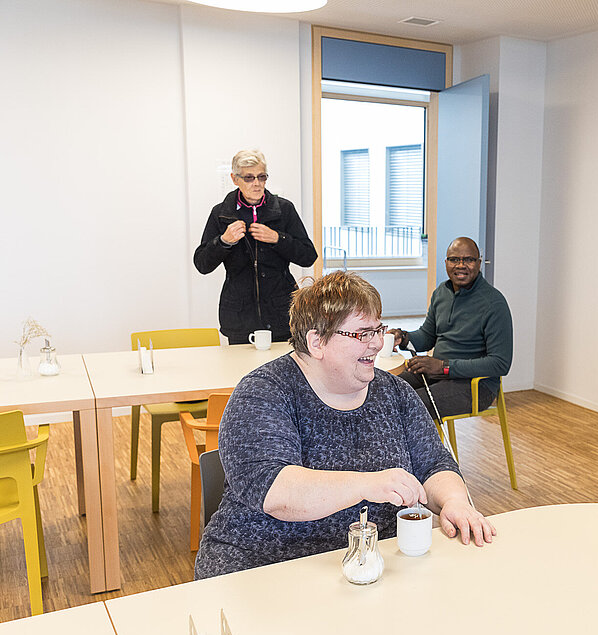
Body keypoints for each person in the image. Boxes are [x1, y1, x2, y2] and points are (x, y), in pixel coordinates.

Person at [194, 271, 494, 579]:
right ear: (317, 342)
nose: (378, 343)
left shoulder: (395, 392)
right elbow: (276, 492)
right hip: (263, 569)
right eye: (362, 333)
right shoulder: (263, 393)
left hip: (371, 567)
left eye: (379, 329)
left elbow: (433, 464)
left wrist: (454, 502)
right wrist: (369, 483)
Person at [194, 149, 317, 345]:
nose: (257, 184)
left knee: (283, 373)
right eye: (249, 178)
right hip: (239, 315)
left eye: (262, 177)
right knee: (240, 371)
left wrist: (278, 238)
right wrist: (224, 241)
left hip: (282, 313)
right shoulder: (220, 213)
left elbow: (308, 256)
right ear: (235, 179)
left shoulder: (284, 209)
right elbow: (202, 264)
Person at [388, 237, 513, 418]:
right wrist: (404, 338)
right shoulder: (441, 293)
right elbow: (427, 336)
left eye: (468, 260)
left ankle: (416, 447)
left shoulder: (494, 303)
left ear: (479, 263)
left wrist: (443, 367)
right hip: (437, 374)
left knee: (409, 405)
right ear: (446, 262)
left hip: (476, 386)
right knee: (383, 391)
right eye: (454, 259)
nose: (461, 265)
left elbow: (500, 364)